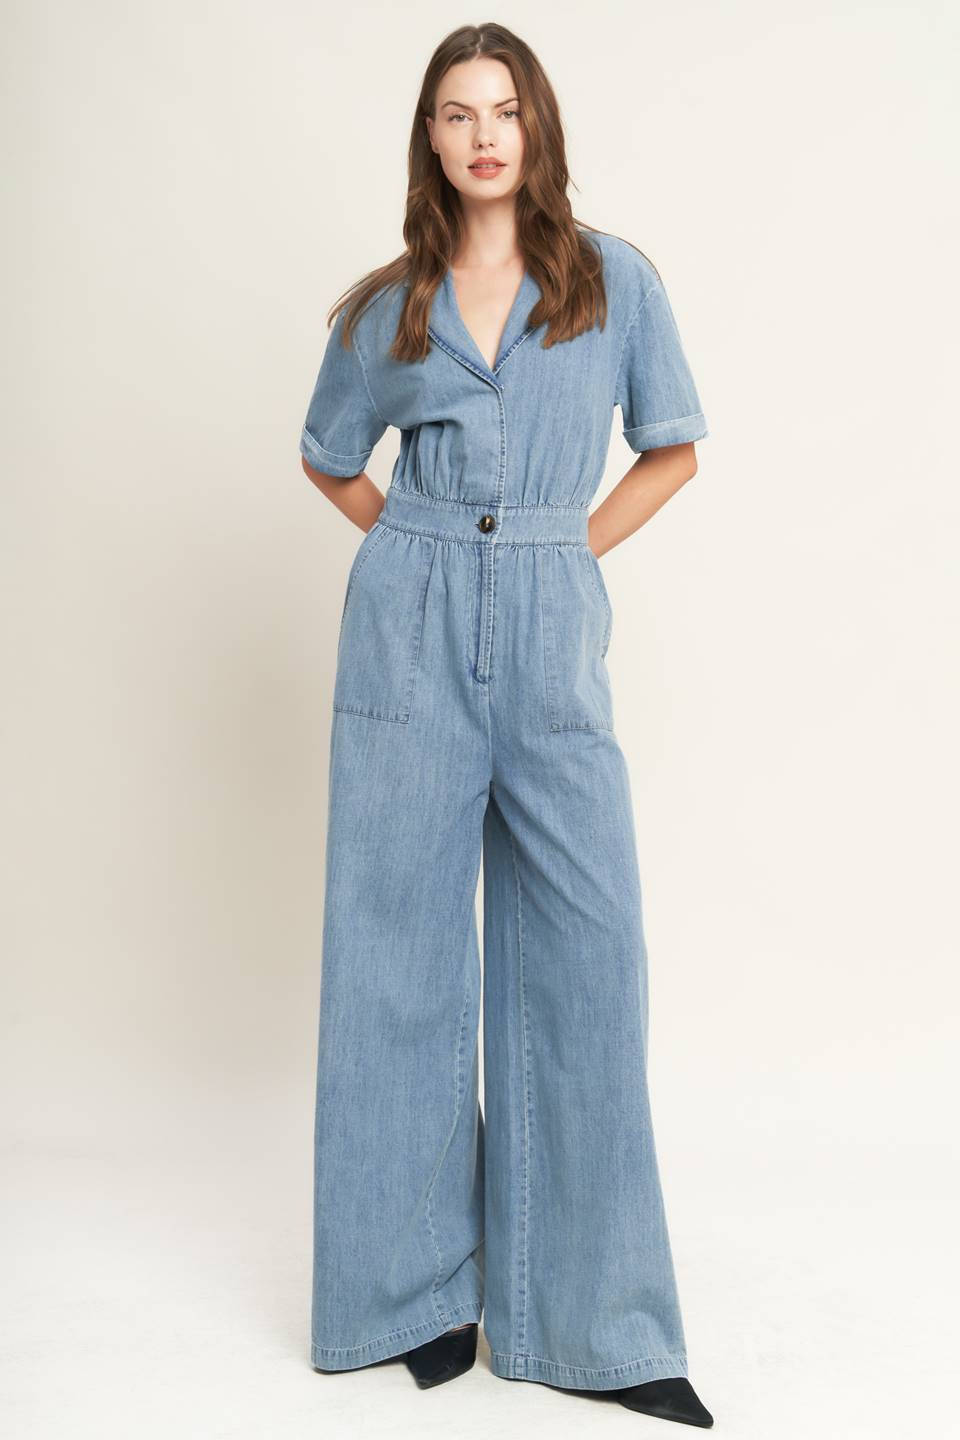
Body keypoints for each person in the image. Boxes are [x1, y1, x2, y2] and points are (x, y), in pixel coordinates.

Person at [299, 22, 714, 1429]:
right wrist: (416, 549)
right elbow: (327, 456)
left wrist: (562, 550)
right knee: (396, 957)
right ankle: (416, 1297)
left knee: (588, 951)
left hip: (548, 617)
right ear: (429, 138)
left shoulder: (613, 285)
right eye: (457, 113)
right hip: (408, 627)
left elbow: (676, 447)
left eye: (506, 110)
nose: (484, 135)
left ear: (537, 128)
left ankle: (596, 1318)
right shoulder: (390, 304)